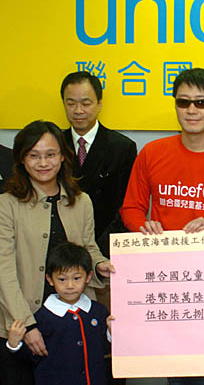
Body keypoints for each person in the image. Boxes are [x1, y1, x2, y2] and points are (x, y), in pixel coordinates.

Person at [120, 68, 204, 384]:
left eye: (201, 102)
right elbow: (131, 208)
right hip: (163, 280)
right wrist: (143, 228)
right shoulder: (152, 153)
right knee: (175, 374)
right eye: (183, 102)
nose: (192, 110)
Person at [0, 120, 113, 385]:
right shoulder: (7, 204)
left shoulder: (81, 201)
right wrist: (27, 324)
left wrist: (99, 265)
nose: (43, 163)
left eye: (50, 154)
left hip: (73, 321)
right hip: (22, 320)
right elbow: (4, 269)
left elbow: (88, 247)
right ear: (21, 159)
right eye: (33, 155)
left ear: (63, 156)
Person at [6, 242, 113, 385]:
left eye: (76, 278)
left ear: (88, 277)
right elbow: (31, 359)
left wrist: (111, 333)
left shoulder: (98, 311)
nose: (70, 285)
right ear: (50, 279)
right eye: (62, 279)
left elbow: (105, 351)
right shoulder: (41, 317)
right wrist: (14, 344)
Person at [61, 71, 137, 257]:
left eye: (86, 103)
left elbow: (125, 207)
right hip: (61, 250)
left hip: (105, 248)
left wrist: (97, 253)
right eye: (71, 103)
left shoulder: (122, 147)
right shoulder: (55, 144)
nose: (78, 110)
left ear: (99, 104)